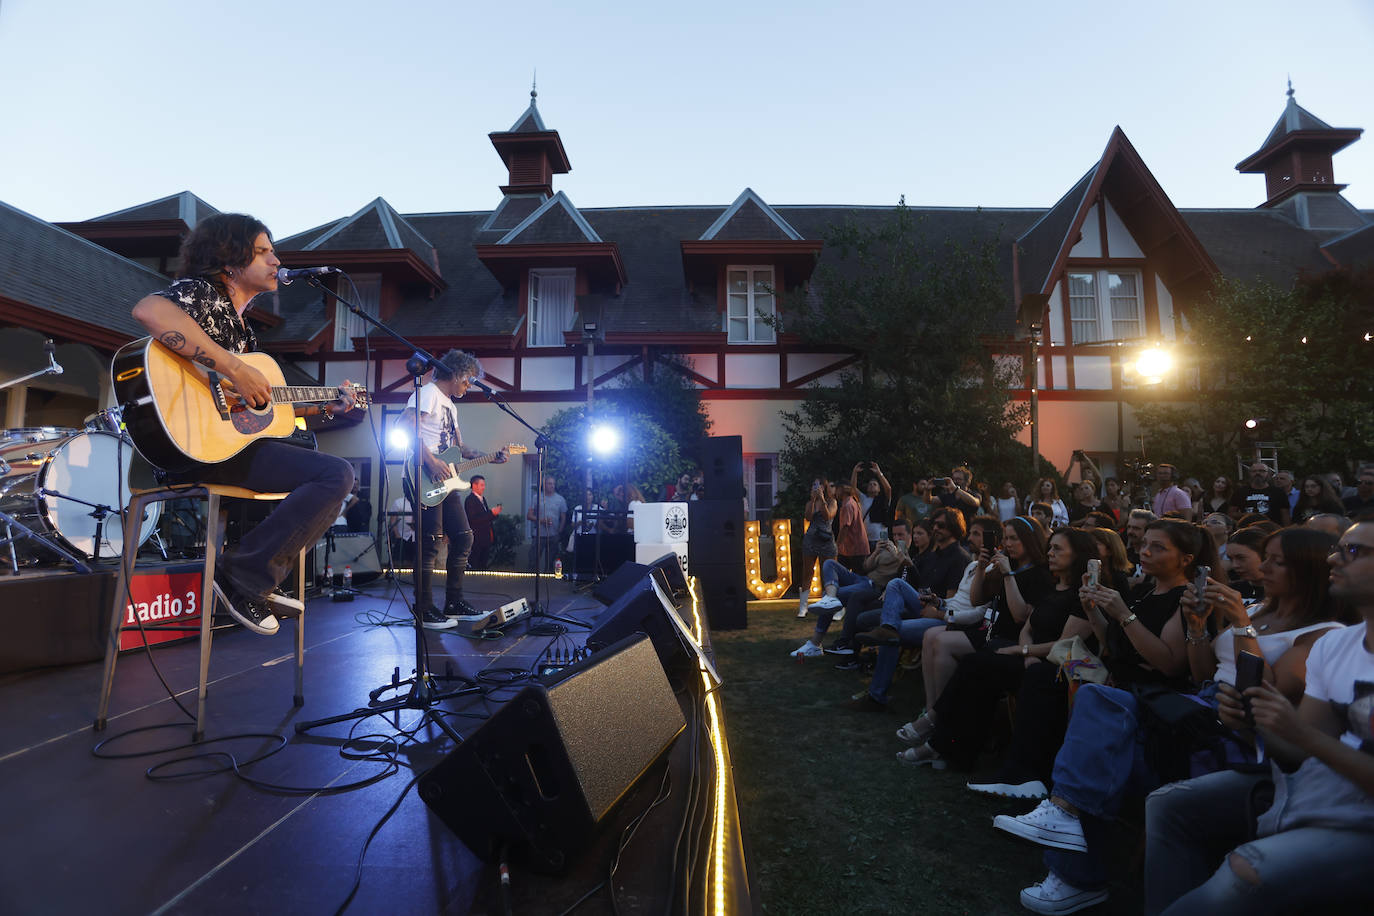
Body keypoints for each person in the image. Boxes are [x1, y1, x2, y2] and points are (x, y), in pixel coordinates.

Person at [130, 213, 355, 636]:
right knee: (335, 474)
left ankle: (252, 577)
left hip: (228, 448)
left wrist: (327, 407)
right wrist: (234, 368)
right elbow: (149, 310)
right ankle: (243, 576)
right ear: (230, 260)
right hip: (189, 448)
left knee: (314, 456)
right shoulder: (202, 294)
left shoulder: (247, 336)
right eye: (263, 251)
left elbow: (268, 413)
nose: (276, 260)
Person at [1143, 522, 1374, 915]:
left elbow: (1303, 732)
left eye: (1353, 552)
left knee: (1246, 868)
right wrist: (1251, 724)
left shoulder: (1322, 634)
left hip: (1354, 819)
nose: (1335, 558)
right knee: (1168, 803)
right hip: (1304, 787)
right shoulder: (1339, 646)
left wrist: (1287, 725)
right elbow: (1298, 752)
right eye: (1339, 549)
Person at [396, 349, 507, 626]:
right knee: (430, 542)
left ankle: (454, 603)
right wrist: (431, 461)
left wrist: (489, 455)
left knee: (464, 537)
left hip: (445, 478)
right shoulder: (428, 393)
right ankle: (423, 609)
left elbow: (459, 449)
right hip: (423, 472)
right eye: (467, 380)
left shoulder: (451, 405)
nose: (468, 386)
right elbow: (405, 426)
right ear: (456, 373)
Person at [791, 519, 913, 659]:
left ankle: (816, 642)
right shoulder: (886, 548)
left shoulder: (908, 555)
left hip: (875, 586)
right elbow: (866, 567)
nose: (897, 538)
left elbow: (904, 574)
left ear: (909, 535)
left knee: (831, 596)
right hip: (863, 579)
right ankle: (830, 597)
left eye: (901, 535)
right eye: (895, 535)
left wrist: (897, 554)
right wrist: (876, 552)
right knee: (830, 563)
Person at [797, 478, 838, 617]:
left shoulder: (832, 502)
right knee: (807, 572)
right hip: (811, 539)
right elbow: (808, 517)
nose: (816, 487)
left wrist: (822, 500)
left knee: (827, 573)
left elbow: (828, 517)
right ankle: (803, 607)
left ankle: (828, 604)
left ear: (824, 487)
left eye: (819, 485)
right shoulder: (810, 503)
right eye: (814, 485)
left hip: (826, 540)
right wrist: (814, 501)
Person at [526, 476, 566, 573]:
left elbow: (563, 517)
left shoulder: (560, 499)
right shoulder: (537, 498)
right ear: (544, 485)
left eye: (553, 484)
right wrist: (541, 520)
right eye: (549, 483)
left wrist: (559, 531)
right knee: (533, 561)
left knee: (551, 564)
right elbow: (529, 516)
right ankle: (530, 584)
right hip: (539, 535)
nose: (552, 486)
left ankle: (549, 585)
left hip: (553, 536)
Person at [464, 474, 501, 571]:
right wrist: (491, 513)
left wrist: (494, 514)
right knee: (476, 563)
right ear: (474, 485)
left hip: (486, 537)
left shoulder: (482, 499)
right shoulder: (470, 500)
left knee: (483, 563)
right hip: (477, 538)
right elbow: (473, 519)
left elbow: (485, 517)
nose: (484, 488)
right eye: (482, 485)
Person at [851, 461, 892, 545]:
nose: (872, 485)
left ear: (879, 489)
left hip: (881, 539)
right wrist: (855, 472)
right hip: (866, 539)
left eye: (875, 484)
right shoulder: (863, 498)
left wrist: (879, 473)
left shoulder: (884, 499)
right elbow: (853, 489)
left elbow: (888, 489)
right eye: (870, 484)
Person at [833, 483, 870, 571]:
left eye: (837, 489)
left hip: (855, 549)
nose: (835, 492)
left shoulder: (848, 505)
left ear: (842, 489)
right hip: (852, 549)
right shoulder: (852, 502)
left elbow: (845, 527)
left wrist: (837, 546)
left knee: (852, 578)